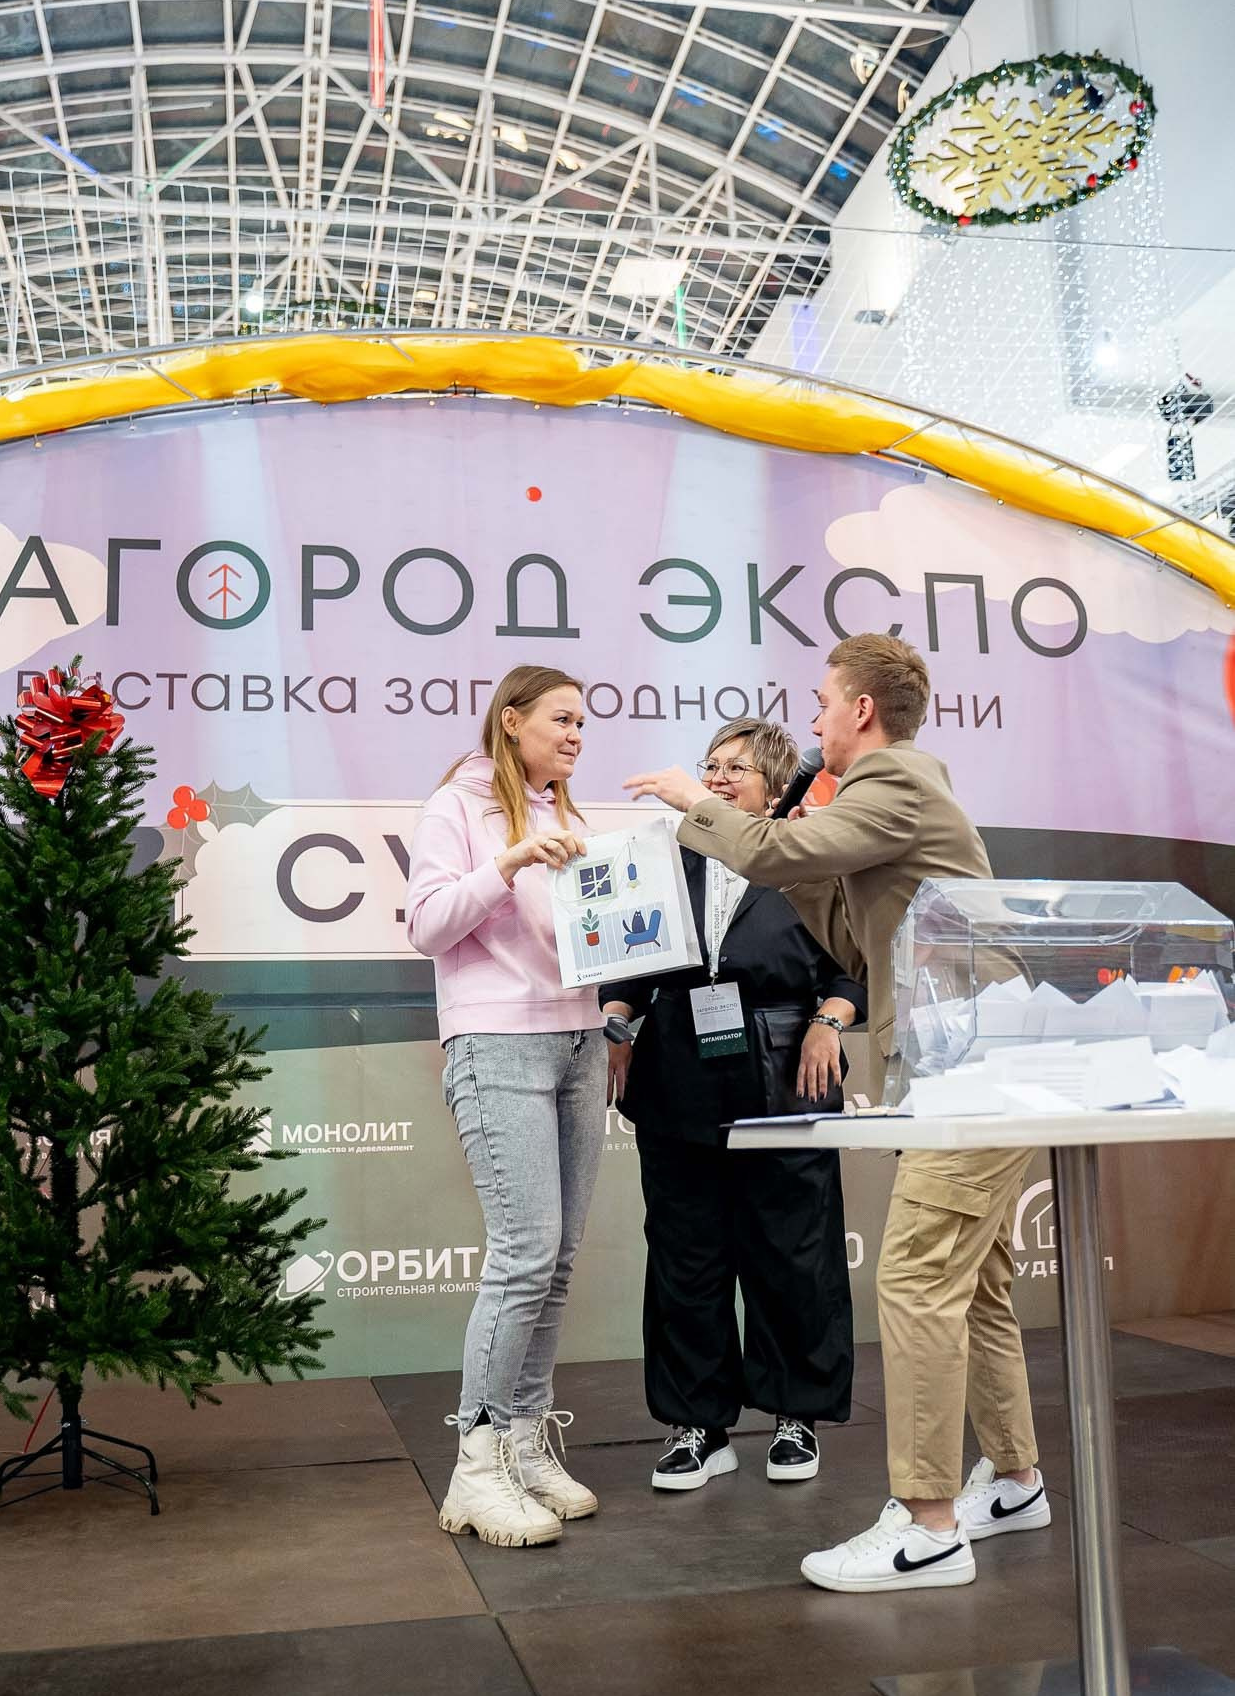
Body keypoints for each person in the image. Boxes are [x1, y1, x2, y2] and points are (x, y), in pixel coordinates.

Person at [624, 634, 1050, 1594]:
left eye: (821, 702)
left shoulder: (893, 780)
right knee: (976, 1282)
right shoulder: (879, 800)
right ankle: (1015, 1481)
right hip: (957, 1058)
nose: (812, 720)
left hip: (974, 1061)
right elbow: (850, 938)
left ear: (861, 709)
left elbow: (770, 853)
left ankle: (927, 1525)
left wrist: (697, 804)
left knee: (915, 1277)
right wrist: (796, 855)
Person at [600, 717, 864, 1492]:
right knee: (685, 1258)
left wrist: (826, 1022)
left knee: (792, 1254)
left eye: (733, 769)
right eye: (708, 766)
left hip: (787, 1077)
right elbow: (627, 964)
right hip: (677, 1077)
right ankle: (697, 1426)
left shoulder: (809, 858)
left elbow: (853, 968)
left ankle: (794, 1416)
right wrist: (616, 1019)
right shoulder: (659, 860)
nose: (714, 779)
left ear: (774, 787)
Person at [406, 665, 606, 1549]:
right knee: (524, 1255)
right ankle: (475, 1468)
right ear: (512, 720)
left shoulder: (568, 813)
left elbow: (583, 937)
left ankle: (524, 1443)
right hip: (496, 1042)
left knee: (555, 1261)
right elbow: (427, 925)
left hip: (580, 1040)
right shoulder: (456, 805)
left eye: (582, 724)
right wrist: (508, 861)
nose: (575, 735)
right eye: (561, 719)